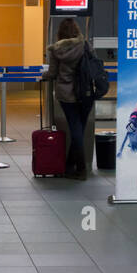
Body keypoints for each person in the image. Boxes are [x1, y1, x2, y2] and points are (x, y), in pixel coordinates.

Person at [43, 17, 93, 180]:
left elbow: (52, 73)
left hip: (67, 93)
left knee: (75, 130)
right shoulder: (84, 45)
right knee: (79, 129)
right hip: (85, 92)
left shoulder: (56, 50)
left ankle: (81, 168)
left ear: (60, 33)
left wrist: (44, 76)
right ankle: (70, 166)